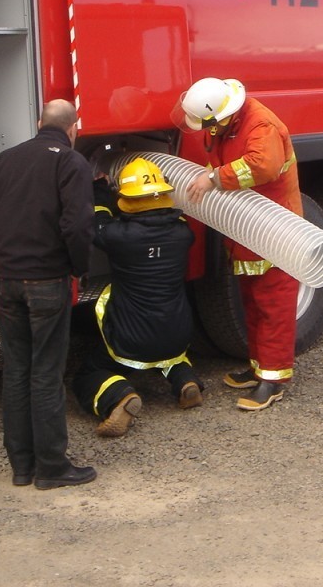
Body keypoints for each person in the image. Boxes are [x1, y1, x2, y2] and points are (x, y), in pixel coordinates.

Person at [0, 99, 96, 490]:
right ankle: (52, 467)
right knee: (45, 373)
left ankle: (21, 466)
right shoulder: (71, 163)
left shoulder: (6, 159)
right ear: (73, 129)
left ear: (39, 123)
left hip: (7, 280)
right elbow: (78, 225)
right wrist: (77, 267)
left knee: (17, 371)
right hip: (47, 282)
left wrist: (4, 257)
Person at [174, 77, 301, 411]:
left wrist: (214, 179)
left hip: (274, 230)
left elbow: (262, 166)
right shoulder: (229, 123)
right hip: (249, 229)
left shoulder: (261, 125)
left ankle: (273, 380)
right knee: (253, 302)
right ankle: (260, 367)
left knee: (273, 304)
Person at [73, 157, 204, 437]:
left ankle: (118, 396)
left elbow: (98, 219)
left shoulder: (119, 236)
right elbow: (167, 219)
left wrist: (99, 189)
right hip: (177, 333)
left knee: (89, 373)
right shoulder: (182, 233)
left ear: (129, 200)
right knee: (169, 357)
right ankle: (185, 382)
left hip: (131, 338)